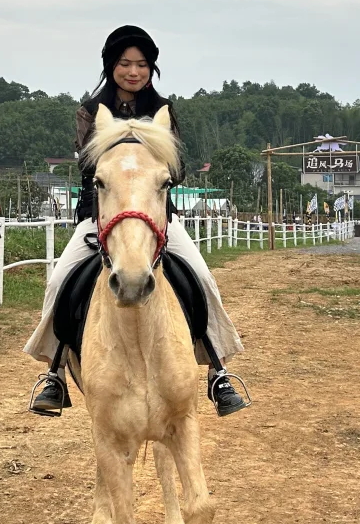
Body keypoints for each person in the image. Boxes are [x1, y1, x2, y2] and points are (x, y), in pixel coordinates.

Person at [25, 24, 247, 417]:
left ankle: (218, 369)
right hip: (102, 216)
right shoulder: (90, 112)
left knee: (201, 275)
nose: (133, 71)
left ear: (151, 68)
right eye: (125, 63)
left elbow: (176, 167)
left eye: (142, 64)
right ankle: (54, 372)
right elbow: (90, 163)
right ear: (112, 65)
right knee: (60, 280)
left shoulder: (164, 109)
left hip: (157, 220)